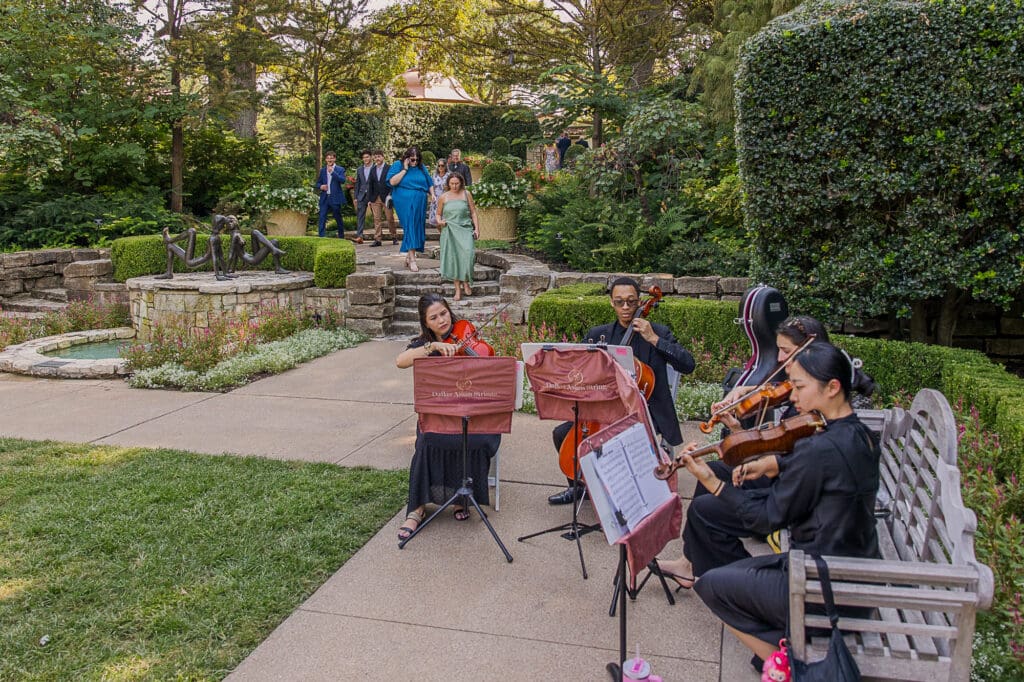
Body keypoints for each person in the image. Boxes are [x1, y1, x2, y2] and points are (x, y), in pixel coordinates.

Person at [662, 341, 881, 669]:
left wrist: (711, 480)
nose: (793, 397)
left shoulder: (820, 449)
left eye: (801, 387)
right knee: (729, 566)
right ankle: (778, 628)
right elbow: (827, 475)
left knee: (710, 585)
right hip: (848, 568)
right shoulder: (858, 433)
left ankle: (787, 666)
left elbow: (765, 519)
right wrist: (772, 464)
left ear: (833, 387)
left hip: (823, 588)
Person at [547, 277, 696, 504]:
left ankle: (621, 494)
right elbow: (579, 369)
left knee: (617, 440)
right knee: (562, 433)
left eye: (631, 302)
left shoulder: (657, 332)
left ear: (639, 302)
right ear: (611, 303)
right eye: (619, 302)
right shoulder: (600, 335)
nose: (625, 308)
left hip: (645, 411)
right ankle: (579, 487)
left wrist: (653, 339)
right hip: (603, 408)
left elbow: (688, 364)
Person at [394, 294, 501, 541]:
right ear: (426, 323)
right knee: (426, 440)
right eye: (434, 317)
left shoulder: (464, 332)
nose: (442, 320)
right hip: (439, 412)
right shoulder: (424, 345)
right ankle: (416, 509)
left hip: (473, 411)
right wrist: (434, 347)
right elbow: (400, 362)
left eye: (443, 313)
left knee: (478, 440)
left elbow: (487, 363)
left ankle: (461, 497)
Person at [435, 173, 479, 302]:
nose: (454, 186)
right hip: (449, 230)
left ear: (461, 183)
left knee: (468, 255)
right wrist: (440, 221)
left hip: (465, 229)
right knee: (453, 260)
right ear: (448, 183)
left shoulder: (466, 194)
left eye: (457, 183)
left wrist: (477, 228)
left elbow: (473, 212)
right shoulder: (444, 197)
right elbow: (438, 214)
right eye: (452, 183)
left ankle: (466, 281)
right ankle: (458, 290)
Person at [387, 145, 432, 271]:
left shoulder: (421, 167)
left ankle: (409, 255)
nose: (415, 162)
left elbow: (430, 182)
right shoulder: (397, 165)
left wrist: (433, 195)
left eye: (417, 160)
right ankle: (413, 259)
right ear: (407, 158)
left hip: (420, 201)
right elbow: (392, 182)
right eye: (412, 159)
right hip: (404, 201)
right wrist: (405, 169)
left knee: (416, 226)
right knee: (410, 226)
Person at [367, 149, 398, 247]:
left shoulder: (389, 168)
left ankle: (394, 236)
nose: (377, 159)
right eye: (375, 157)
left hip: (386, 197)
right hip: (375, 198)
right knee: (377, 219)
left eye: (379, 156)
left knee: (390, 218)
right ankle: (378, 239)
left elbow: (393, 182)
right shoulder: (372, 170)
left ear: (383, 157)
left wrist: (392, 195)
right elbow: (370, 185)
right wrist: (369, 199)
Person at [315, 151, 346, 239]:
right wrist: (321, 186)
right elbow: (317, 183)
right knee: (322, 217)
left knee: (338, 217)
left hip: (335, 198)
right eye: (328, 158)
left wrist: (333, 172)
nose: (330, 159)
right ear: (325, 159)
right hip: (325, 198)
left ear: (334, 159)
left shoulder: (340, 169)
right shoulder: (322, 170)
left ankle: (341, 237)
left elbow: (342, 180)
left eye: (331, 158)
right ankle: (321, 237)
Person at [352, 150, 373, 244]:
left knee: (377, 217)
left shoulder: (376, 168)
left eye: (367, 157)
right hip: (361, 196)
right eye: (364, 157)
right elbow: (357, 184)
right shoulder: (360, 169)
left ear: (371, 157)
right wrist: (355, 197)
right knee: (360, 216)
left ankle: (378, 237)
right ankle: (359, 236)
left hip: (373, 195)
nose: (365, 159)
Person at [428, 159, 449, 225]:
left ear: (445, 166)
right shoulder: (434, 175)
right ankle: (441, 234)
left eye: (442, 165)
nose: (440, 167)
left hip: (446, 199)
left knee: (444, 219)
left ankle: (443, 234)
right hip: (436, 199)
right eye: (439, 165)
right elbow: (432, 186)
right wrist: (432, 195)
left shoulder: (449, 175)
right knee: (436, 221)